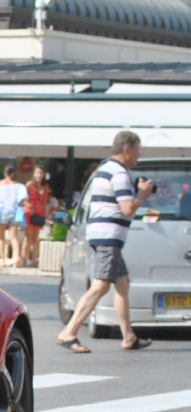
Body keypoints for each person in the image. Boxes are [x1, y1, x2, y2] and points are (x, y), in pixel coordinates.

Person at [55, 130, 155, 354]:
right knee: (100, 285)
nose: (138, 156)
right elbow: (128, 208)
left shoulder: (105, 169)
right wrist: (141, 194)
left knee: (122, 282)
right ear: (127, 149)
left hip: (104, 235)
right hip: (109, 237)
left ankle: (128, 336)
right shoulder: (119, 173)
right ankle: (68, 332)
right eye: (137, 151)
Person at [0, 165, 27, 266]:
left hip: (2, 211)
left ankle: (3, 260)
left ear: (5, 173)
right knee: (13, 237)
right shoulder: (19, 185)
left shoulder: (0, 184)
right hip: (14, 211)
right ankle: (17, 257)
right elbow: (23, 198)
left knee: (1, 237)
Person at [21, 164, 49, 266]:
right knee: (28, 237)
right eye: (37, 172)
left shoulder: (45, 186)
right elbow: (22, 199)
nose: (39, 175)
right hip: (29, 211)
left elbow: (45, 201)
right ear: (34, 173)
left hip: (39, 211)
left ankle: (34, 260)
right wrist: (30, 206)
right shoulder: (29, 184)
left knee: (35, 238)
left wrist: (45, 212)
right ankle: (24, 259)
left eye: (41, 173)